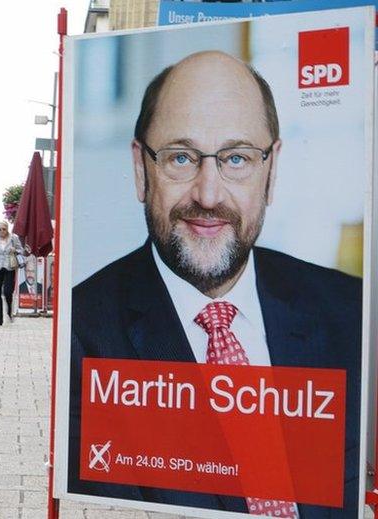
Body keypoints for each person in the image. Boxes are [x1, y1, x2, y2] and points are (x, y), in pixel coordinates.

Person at [69, 51, 361, 517]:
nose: (208, 194)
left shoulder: (351, 311)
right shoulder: (81, 334)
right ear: (141, 168)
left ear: (272, 169)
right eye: (180, 157)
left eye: (237, 158)